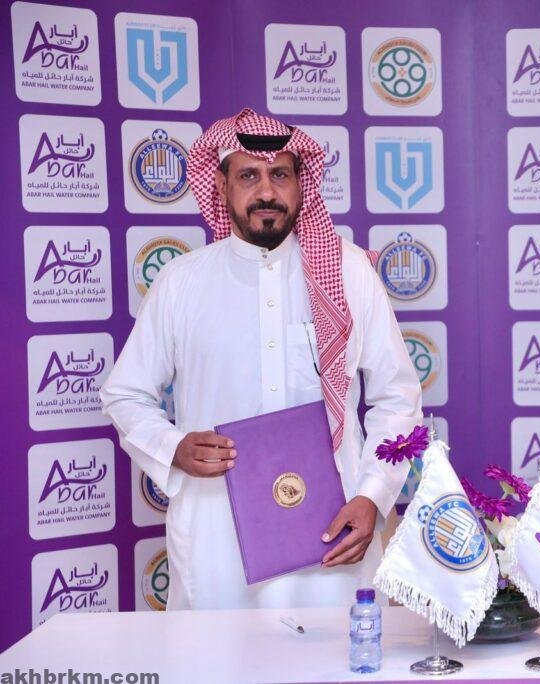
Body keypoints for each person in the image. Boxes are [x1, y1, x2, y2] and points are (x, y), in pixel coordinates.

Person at [101, 108, 422, 610]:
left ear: (301, 184)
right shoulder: (182, 282)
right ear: (221, 184)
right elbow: (125, 394)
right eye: (249, 175)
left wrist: (373, 497)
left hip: (333, 532)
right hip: (217, 541)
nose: (266, 191)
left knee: (337, 652)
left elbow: (397, 396)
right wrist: (173, 446)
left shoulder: (349, 272)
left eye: (280, 175)